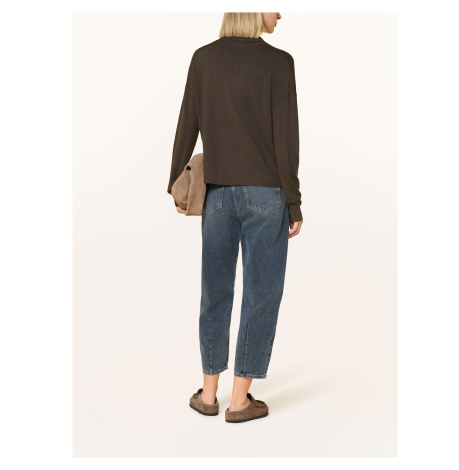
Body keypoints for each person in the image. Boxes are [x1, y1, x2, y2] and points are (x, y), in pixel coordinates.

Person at [167, 12, 303, 423]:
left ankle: (208, 394)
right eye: (274, 5)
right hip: (266, 195)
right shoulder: (279, 63)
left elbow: (187, 122)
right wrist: (293, 201)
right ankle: (240, 401)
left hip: (217, 195)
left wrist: (176, 183)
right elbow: (286, 138)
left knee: (215, 291)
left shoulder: (203, 58)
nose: (280, 13)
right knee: (261, 294)